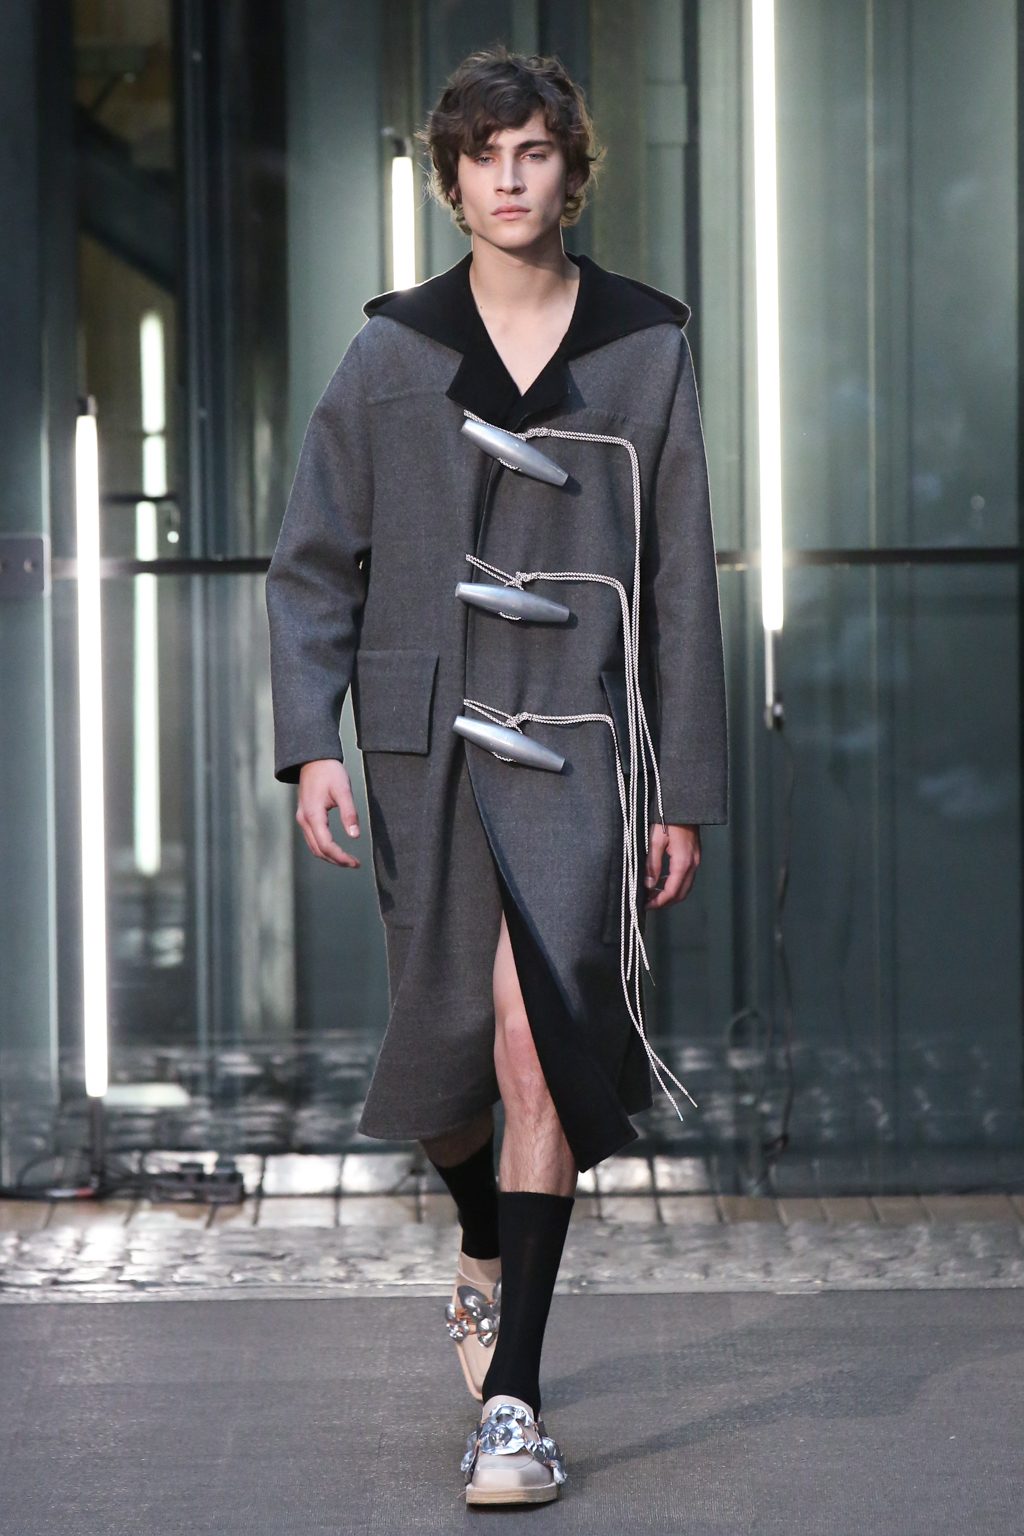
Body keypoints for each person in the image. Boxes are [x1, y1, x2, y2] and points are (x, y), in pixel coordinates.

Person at [266, 45, 728, 1508]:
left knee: (537, 1048)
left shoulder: (646, 345)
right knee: (443, 1066)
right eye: (486, 156)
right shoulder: (391, 353)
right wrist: (310, 742)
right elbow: (314, 560)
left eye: (535, 151)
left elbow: (681, 578)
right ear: (453, 181)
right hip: (425, 745)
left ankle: (513, 1404)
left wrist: (685, 785)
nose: (511, 178)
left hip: (582, 742)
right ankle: (479, 1231)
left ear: (571, 170)